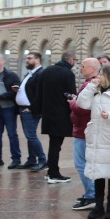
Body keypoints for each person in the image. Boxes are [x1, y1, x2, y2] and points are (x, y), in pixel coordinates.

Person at [77, 65, 110, 219]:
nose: (98, 76)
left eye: (101, 74)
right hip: (96, 138)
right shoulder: (96, 91)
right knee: (98, 173)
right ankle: (99, 206)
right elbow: (82, 103)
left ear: (109, 76)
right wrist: (92, 85)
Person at [33, 50, 77, 183]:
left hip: (48, 113)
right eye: (75, 60)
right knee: (56, 145)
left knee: (54, 144)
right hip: (61, 115)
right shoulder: (68, 73)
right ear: (70, 60)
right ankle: (53, 174)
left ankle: (51, 171)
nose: (75, 63)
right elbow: (71, 94)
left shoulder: (47, 70)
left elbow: (36, 89)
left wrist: (38, 108)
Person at [70, 58, 101, 210]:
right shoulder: (93, 83)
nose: (80, 68)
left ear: (92, 68)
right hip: (84, 128)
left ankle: (91, 195)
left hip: (83, 130)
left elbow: (83, 108)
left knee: (82, 164)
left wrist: (72, 102)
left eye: (83, 66)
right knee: (85, 163)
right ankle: (91, 193)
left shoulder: (91, 84)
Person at [15, 52, 47, 170]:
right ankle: (31, 159)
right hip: (24, 108)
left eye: (29, 58)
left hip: (31, 109)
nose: (26, 60)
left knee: (31, 135)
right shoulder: (29, 73)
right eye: (26, 58)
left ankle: (43, 160)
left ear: (37, 60)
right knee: (29, 136)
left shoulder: (40, 73)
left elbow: (41, 93)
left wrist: (32, 107)